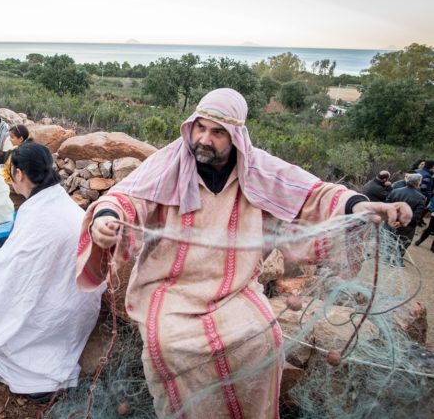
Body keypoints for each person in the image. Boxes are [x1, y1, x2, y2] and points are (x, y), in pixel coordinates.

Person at [76, 88, 412, 418]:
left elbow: (315, 195)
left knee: (262, 341)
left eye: (218, 132)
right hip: (170, 288)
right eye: (200, 128)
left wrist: (360, 206)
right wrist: (107, 219)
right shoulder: (169, 162)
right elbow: (125, 198)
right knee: (170, 346)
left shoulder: (260, 169)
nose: (205, 139)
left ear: (236, 135)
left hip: (234, 290)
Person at [0, 142, 103, 402]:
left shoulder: (37, 214)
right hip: (77, 311)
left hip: (51, 315)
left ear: (20, 174)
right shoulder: (60, 201)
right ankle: (20, 370)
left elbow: (13, 277)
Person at [385, 173, 425, 265]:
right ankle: (397, 261)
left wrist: (393, 219)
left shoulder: (395, 191)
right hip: (407, 225)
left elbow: (387, 206)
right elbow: (416, 216)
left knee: (388, 239)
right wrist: (402, 222)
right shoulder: (421, 198)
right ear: (418, 183)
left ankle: (385, 257)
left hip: (391, 221)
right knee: (403, 243)